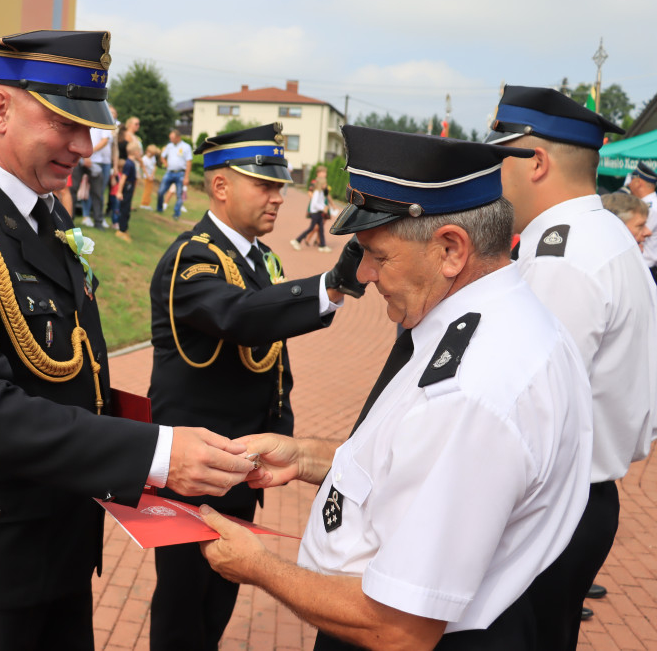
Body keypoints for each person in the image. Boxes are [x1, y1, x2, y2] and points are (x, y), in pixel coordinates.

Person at [0, 29, 255, 651]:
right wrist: (157, 452)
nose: (85, 146)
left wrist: (163, 455)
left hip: (61, 544)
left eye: (90, 127)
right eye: (65, 122)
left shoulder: (47, 214)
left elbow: (70, 377)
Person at [199, 125, 593, 649]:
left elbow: (398, 627)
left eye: (378, 256)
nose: (362, 274)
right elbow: (416, 463)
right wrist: (309, 459)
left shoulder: (472, 391)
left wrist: (258, 567)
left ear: (452, 249)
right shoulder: (490, 321)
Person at [147, 123, 364, 651]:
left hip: (243, 464)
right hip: (194, 473)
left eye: (280, 184)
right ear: (220, 187)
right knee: (182, 605)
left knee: (219, 595)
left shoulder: (260, 257)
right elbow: (239, 316)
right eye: (264, 184)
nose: (278, 195)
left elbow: (273, 357)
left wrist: (278, 430)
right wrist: (327, 286)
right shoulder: (190, 258)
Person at [488, 85, 657, 643]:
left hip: (548, 508)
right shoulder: (604, 233)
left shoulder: (563, 258)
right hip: (581, 500)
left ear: (535, 161)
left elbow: (526, 407)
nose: (495, 173)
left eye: (501, 155)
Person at [626, 162, 657, 282]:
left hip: (647, 269)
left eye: (632, 179)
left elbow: (638, 234)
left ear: (639, 182)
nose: (629, 183)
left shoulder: (651, 207)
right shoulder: (648, 204)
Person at [157, 129, 192, 218]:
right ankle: (159, 209)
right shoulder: (169, 146)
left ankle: (176, 214)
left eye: (172, 138)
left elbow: (189, 162)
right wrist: (165, 163)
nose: (171, 140)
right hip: (169, 172)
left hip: (181, 173)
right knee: (161, 191)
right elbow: (162, 156)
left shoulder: (186, 147)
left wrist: (187, 177)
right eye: (170, 138)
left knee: (179, 195)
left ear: (178, 137)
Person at [292, 174, 331, 251]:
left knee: (321, 229)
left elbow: (321, 202)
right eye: (325, 184)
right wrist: (323, 208)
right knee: (311, 228)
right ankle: (297, 240)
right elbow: (315, 204)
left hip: (319, 213)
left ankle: (322, 246)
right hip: (315, 213)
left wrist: (325, 207)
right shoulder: (316, 192)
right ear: (321, 184)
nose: (326, 185)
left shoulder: (321, 193)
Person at [114, 141, 141, 242]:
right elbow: (123, 179)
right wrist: (119, 192)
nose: (140, 153)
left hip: (130, 188)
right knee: (124, 210)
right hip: (127, 188)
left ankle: (124, 229)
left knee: (127, 209)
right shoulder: (129, 164)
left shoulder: (131, 163)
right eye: (139, 151)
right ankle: (121, 231)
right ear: (135, 152)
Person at [140, 144, 158, 210]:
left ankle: (147, 203)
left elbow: (154, 166)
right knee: (147, 190)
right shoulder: (144, 159)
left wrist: (152, 175)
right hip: (147, 177)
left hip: (151, 177)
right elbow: (143, 168)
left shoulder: (153, 158)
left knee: (150, 191)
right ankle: (144, 203)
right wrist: (148, 176)